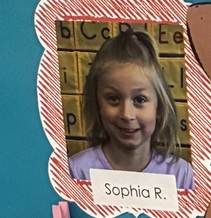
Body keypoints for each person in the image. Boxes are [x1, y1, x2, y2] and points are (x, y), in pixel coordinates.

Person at [68, 30, 194, 190]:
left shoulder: (181, 175)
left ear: (159, 107)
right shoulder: (76, 171)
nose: (127, 114)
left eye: (139, 100)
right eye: (113, 99)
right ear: (97, 104)